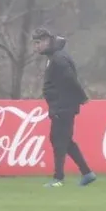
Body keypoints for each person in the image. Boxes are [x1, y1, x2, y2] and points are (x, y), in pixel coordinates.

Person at [32, 28, 96, 188]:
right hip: (61, 105)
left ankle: (58, 178)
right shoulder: (55, 56)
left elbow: (70, 79)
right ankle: (87, 173)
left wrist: (82, 97)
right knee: (63, 140)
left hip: (63, 106)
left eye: (38, 43)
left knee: (59, 140)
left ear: (47, 41)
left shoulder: (58, 58)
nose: (36, 47)